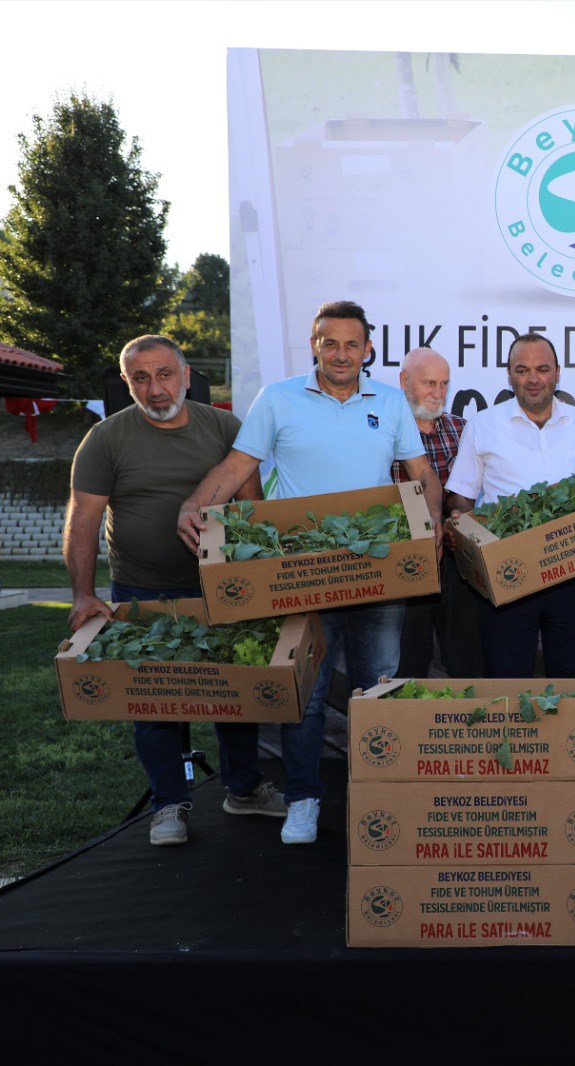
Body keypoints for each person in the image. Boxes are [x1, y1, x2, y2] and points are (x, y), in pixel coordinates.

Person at [177, 300, 442, 845]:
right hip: (301, 573)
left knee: (379, 687)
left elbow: (422, 474)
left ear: (368, 350)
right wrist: (194, 504)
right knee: (306, 693)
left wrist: (432, 516)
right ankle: (303, 798)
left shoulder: (391, 402)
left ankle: (381, 790)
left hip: (377, 570)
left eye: (352, 344)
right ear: (313, 345)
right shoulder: (277, 398)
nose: (340, 353)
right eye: (329, 342)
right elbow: (236, 467)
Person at [67, 334, 278, 846]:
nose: (155, 389)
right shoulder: (105, 439)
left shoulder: (226, 427)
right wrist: (82, 594)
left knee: (236, 693)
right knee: (154, 701)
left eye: (165, 374)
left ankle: (244, 789)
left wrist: (255, 583)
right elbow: (83, 521)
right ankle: (168, 805)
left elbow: (251, 509)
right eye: (141, 378)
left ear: (187, 376)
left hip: (220, 587)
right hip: (142, 589)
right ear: (127, 382)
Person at [444, 332, 575, 678]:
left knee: (572, 677)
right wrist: (460, 520)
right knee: (507, 677)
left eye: (542, 369)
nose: (533, 379)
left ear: (557, 373)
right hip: (507, 573)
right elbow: (460, 494)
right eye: (522, 370)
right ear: (509, 375)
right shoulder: (482, 426)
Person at [393, 347, 479, 678]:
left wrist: (462, 519)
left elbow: (472, 491)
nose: (438, 393)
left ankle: (469, 724)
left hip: (456, 562)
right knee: (408, 660)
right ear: (404, 380)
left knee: (467, 658)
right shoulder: (385, 430)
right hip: (406, 559)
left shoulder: (463, 429)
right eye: (429, 383)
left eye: (444, 384)